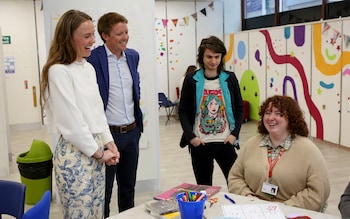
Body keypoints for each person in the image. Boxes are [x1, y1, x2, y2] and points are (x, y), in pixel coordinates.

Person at [40, 9, 120, 218]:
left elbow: (97, 111)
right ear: (68, 38)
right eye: (87, 36)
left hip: (95, 149)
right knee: (80, 214)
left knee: (96, 212)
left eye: (93, 34)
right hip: (74, 154)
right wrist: (100, 153)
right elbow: (72, 124)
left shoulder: (87, 67)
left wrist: (109, 142)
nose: (93, 41)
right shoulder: (58, 71)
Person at [227, 95, 330, 212]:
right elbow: (235, 177)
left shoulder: (309, 150)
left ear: (291, 117)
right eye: (267, 112)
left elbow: (318, 193)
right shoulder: (252, 144)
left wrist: (283, 208)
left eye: (278, 113)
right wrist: (248, 197)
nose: (271, 118)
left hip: (291, 213)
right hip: (254, 210)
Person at [87, 12, 143, 216]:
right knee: (105, 191)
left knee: (128, 188)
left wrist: (138, 127)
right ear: (105, 35)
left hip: (132, 133)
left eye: (126, 32)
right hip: (107, 137)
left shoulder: (133, 56)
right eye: (119, 34)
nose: (125, 37)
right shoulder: (92, 59)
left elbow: (135, 89)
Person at [178, 35, 244, 186]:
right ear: (201, 57)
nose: (213, 61)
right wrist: (191, 137)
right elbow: (182, 111)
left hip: (226, 142)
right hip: (200, 144)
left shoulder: (230, 78)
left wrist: (235, 134)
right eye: (209, 57)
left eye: (217, 57)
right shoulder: (191, 79)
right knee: (204, 188)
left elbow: (239, 108)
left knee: (236, 184)